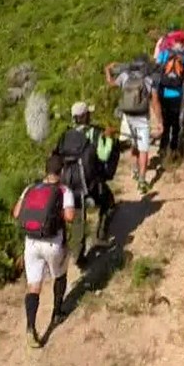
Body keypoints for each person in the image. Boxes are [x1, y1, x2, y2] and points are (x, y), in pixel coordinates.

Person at [12, 154, 77, 348]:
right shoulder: (64, 190)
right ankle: (57, 313)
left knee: (34, 286)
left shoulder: (30, 188)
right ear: (61, 171)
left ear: (45, 170)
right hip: (52, 243)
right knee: (60, 274)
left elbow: (16, 213)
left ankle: (31, 328)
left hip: (31, 242)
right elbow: (70, 217)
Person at [52, 101, 118, 264]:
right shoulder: (94, 133)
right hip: (89, 182)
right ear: (85, 116)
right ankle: (101, 236)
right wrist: (108, 138)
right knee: (109, 202)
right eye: (89, 113)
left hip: (68, 183)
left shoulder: (65, 136)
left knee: (77, 218)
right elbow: (103, 155)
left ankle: (78, 254)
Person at [105, 56, 162, 192]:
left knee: (134, 143)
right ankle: (142, 181)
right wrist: (160, 121)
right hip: (142, 118)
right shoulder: (149, 80)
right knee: (144, 149)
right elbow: (154, 102)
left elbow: (110, 83)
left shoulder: (125, 76)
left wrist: (107, 69)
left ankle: (135, 171)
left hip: (128, 116)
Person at [155, 44, 184, 161]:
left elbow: (157, 70)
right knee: (176, 122)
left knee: (166, 121)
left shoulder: (164, 53)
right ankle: (174, 151)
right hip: (178, 94)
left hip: (164, 93)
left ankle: (163, 148)